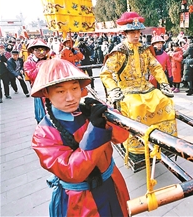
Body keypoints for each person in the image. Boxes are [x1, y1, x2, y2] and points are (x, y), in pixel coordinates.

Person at [31, 58, 130, 216]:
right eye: (60, 91)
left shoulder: (87, 112)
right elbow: (73, 172)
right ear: (46, 93)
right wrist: (96, 130)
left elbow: (122, 136)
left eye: (75, 88)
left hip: (112, 183)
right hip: (81, 200)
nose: (70, 97)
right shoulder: (43, 134)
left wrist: (108, 114)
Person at [100, 11, 177, 157]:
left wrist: (164, 84)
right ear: (125, 33)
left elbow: (155, 67)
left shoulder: (144, 50)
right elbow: (106, 73)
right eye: (132, 32)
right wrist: (114, 90)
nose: (136, 35)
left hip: (145, 87)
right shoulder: (119, 52)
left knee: (165, 101)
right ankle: (139, 147)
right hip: (127, 89)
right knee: (136, 107)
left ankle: (165, 140)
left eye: (138, 32)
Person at [24, 39, 51, 123]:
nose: (41, 52)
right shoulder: (28, 63)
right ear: (32, 51)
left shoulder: (49, 60)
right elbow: (32, 76)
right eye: (37, 50)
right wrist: (41, 65)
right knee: (42, 110)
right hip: (39, 89)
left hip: (51, 87)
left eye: (43, 50)